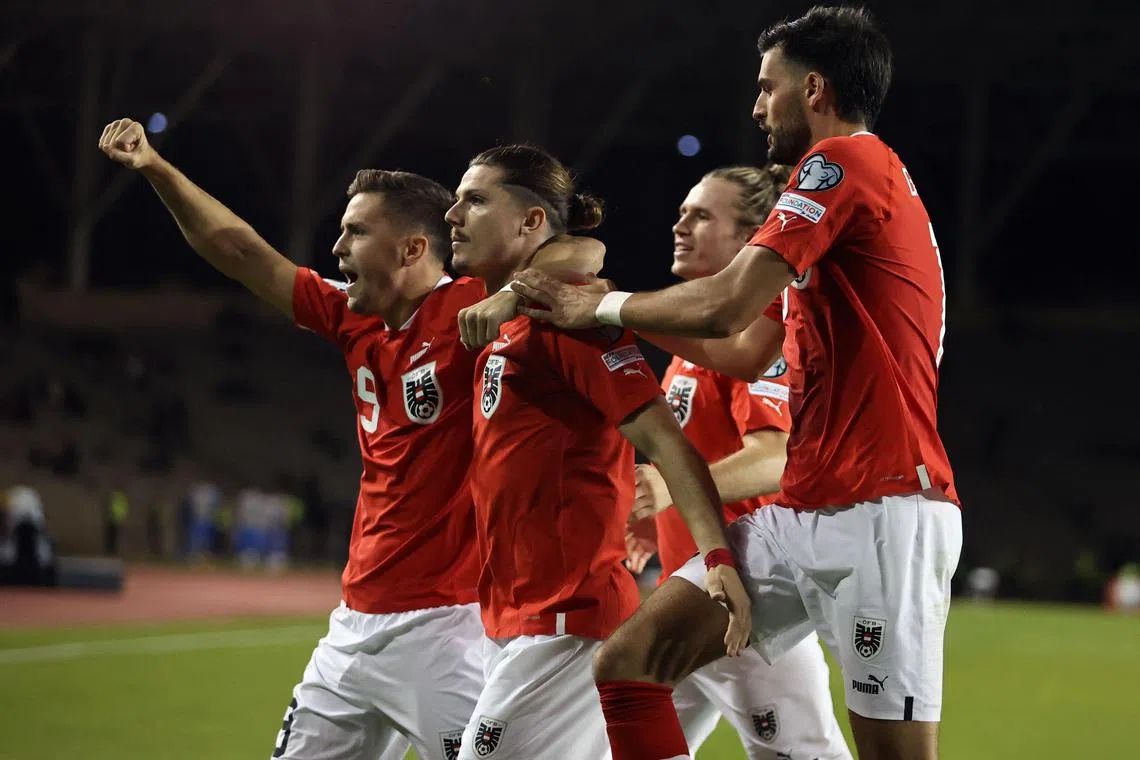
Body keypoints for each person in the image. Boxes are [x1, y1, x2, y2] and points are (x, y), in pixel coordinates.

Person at [508, 7, 962, 760]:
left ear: (813, 88)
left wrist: (604, 303)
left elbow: (724, 307)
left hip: (885, 509)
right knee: (630, 662)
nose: (757, 107)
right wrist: (607, 316)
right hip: (806, 508)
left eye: (767, 88)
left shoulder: (843, 159)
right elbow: (749, 350)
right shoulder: (846, 200)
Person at [97, 119, 600, 760]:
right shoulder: (351, 317)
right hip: (352, 629)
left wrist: (508, 301)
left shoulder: (469, 306)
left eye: (357, 232)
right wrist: (154, 167)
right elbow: (241, 251)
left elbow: (581, 253)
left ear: (413, 249)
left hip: (447, 627)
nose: (336, 247)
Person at [444, 144, 748, 760]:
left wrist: (717, 558)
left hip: (569, 623)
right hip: (515, 621)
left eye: (475, 200)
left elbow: (665, 440)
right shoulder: (497, 323)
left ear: (532, 223)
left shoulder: (570, 320)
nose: (453, 214)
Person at [626, 164, 850, 760]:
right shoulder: (699, 345)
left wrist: (673, 489)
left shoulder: (760, 330)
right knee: (622, 718)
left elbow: (777, 459)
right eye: (682, 211)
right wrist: (655, 521)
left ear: (753, 238)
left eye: (701, 215)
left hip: (745, 600)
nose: (680, 223)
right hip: (693, 590)